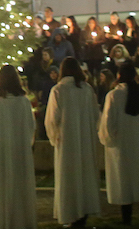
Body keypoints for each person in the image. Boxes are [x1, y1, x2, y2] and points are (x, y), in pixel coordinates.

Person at [44, 57, 100, 228]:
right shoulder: (87, 89)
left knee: (69, 176)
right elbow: (96, 115)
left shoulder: (58, 90)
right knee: (84, 173)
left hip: (67, 140)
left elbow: (53, 118)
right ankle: (84, 210)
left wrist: (54, 136)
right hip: (85, 139)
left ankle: (70, 211)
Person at [0, 65, 35, 229]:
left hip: (2, 147)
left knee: (3, 184)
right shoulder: (23, 101)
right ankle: (22, 220)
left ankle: (4, 221)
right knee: (20, 183)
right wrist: (27, 142)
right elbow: (31, 126)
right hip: (20, 148)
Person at [100, 62, 139, 225]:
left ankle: (127, 217)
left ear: (119, 76)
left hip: (122, 144)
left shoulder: (113, 95)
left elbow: (108, 121)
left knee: (124, 177)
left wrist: (109, 137)